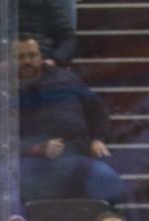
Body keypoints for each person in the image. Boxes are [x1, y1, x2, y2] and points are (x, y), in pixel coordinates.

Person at [16, 35, 124, 207]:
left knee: (109, 182)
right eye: (21, 57)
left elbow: (98, 109)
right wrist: (37, 148)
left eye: (32, 55)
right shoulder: (4, 90)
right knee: (15, 188)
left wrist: (98, 139)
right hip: (32, 162)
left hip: (77, 156)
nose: (27, 61)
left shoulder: (65, 78)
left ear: (41, 57)